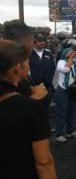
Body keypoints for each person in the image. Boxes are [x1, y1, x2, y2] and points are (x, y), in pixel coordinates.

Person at [0, 40, 56, 179]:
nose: (29, 67)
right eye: (27, 63)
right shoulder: (29, 107)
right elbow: (43, 162)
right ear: (17, 68)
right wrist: (34, 100)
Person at [3, 20, 48, 100]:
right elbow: (8, 107)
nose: (33, 47)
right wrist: (35, 97)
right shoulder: (8, 73)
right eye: (32, 43)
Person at [54, 48, 76, 143]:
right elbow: (65, 69)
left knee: (72, 111)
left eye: (74, 52)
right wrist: (70, 59)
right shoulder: (61, 62)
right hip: (63, 90)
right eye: (71, 53)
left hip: (74, 90)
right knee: (62, 112)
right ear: (66, 54)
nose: (74, 54)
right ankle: (59, 134)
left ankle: (71, 131)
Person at [29, 33, 56, 116]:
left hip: (47, 85)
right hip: (34, 86)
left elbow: (53, 67)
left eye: (44, 41)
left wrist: (50, 79)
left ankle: (45, 125)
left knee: (46, 107)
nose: (43, 43)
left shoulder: (48, 53)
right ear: (34, 42)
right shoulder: (29, 53)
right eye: (40, 41)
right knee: (34, 107)